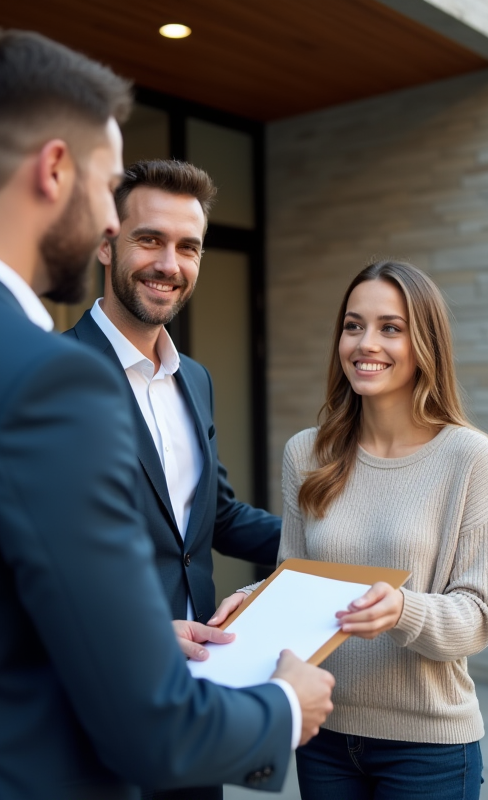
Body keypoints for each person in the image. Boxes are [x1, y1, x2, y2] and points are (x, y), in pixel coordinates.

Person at [0, 30, 332, 800]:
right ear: (54, 170)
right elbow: (155, 730)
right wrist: (283, 706)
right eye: (110, 191)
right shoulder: (50, 383)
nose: (109, 221)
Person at [240, 261, 488, 799]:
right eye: (352, 325)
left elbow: (476, 620)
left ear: (425, 342)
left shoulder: (468, 458)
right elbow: (295, 582)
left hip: (427, 747)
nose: (366, 343)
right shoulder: (306, 453)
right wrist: (246, 601)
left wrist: (403, 609)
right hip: (322, 732)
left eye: (391, 327)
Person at [64, 160, 281, 800]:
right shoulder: (49, 374)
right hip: (98, 695)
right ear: (108, 243)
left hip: (196, 694)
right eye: (150, 239)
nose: (170, 263)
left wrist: (332, 545)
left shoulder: (197, 379)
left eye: (188, 246)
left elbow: (214, 519)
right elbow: (25, 557)